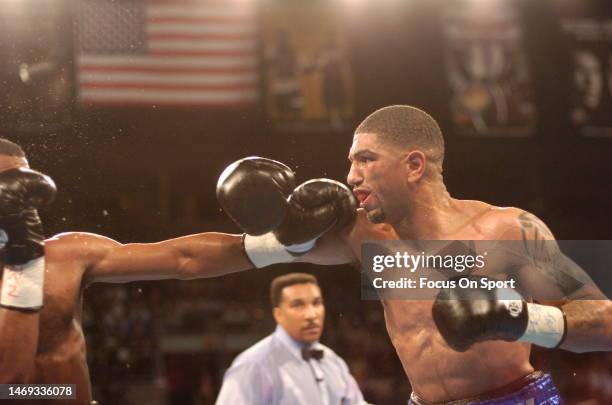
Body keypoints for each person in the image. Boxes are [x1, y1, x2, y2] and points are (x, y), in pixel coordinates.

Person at [219, 105, 612, 404]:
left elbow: (605, 323)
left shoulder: (508, 230)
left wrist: (523, 318)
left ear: (413, 165)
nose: (351, 175)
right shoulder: (362, 235)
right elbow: (193, 257)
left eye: (365, 159)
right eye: (350, 162)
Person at [0, 140, 357, 405]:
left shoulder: (64, 255)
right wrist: (23, 257)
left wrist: (282, 243)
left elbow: (181, 258)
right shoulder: (33, 260)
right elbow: (10, 381)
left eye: (21, 186)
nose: (17, 199)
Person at [215, 272, 365, 405]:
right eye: (298, 305)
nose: (312, 315)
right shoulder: (254, 365)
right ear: (278, 314)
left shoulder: (333, 361)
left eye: (316, 303)